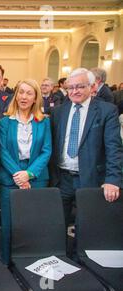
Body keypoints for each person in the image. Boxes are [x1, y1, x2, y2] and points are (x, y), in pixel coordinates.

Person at [50, 68, 122, 235]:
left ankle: (81, 259)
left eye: (80, 86)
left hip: (91, 178)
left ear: (92, 86)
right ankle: (63, 257)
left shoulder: (107, 111)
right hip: (62, 179)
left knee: (87, 227)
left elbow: (114, 148)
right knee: (57, 225)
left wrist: (113, 179)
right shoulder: (58, 111)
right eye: (71, 87)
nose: (74, 91)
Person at [0, 79, 52, 264]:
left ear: (36, 98)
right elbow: (2, 151)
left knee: (33, 223)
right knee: (9, 224)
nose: (24, 96)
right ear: (15, 95)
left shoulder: (44, 122)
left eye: (29, 93)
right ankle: (6, 263)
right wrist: (19, 175)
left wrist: (30, 174)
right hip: (10, 178)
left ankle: (31, 262)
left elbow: (46, 150)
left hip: (37, 178)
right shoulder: (5, 122)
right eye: (21, 92)